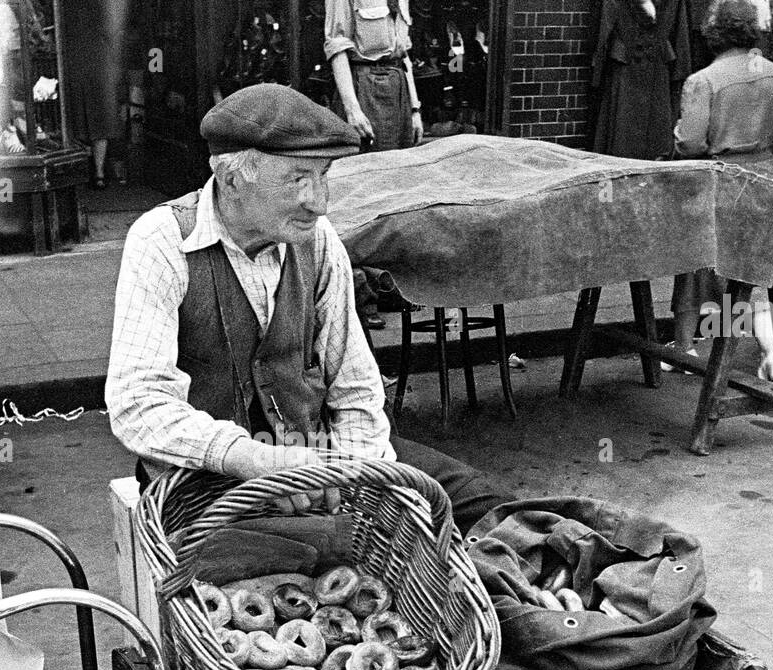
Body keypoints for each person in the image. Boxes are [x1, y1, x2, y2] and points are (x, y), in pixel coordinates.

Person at [105, 83, 511, 534]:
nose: (319, 201)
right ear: (233, 178)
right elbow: (139, 404)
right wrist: (254, 459)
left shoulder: (317, 240)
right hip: (208, 478)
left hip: (317, 449)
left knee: (488, 504)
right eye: (299, 178)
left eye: (323, 176)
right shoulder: (161, 241)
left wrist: (358, 479)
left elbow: (354, 386)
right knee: (304, 554)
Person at [667, 0, 773, 381]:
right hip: (768, 181)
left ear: (713, 34)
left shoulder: (703, 80)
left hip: (721, 182)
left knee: (693, 261)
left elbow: (689, 143)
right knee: (763, 271)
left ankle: (684, 347)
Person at [324, 0, 424, 152]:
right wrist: (353, 111)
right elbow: (337, 47)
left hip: (399, 87)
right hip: (366, 87)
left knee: (402, 165)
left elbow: (404, 55)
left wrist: (414, 109)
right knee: (369, 165)